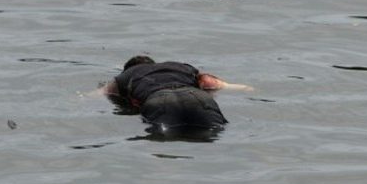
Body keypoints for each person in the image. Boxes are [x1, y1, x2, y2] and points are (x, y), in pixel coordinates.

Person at [100, 56, 253, 132]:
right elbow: (214, 84)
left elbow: (96, 95)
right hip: (196, 97)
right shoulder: (180, 67)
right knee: (215, 132)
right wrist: (245, 88)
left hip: (158, 100)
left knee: (167, 137)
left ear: (128, 69)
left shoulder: (125, 76)